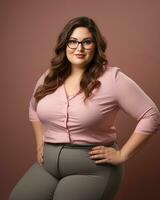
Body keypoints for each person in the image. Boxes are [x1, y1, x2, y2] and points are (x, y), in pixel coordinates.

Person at [9, 16, 160, 200]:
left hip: (91, 170)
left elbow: (151, 115)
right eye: (73, 42)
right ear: (64, 45)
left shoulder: (113, 79)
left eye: (86, 42)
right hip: (47, 167)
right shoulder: (49, 77)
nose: (79, 48)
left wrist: (122, 154)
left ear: (96, 46)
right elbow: (34, 109)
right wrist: (40, 142)